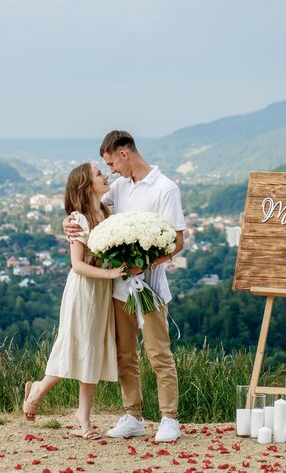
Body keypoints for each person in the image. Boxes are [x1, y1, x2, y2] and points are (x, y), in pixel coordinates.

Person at [64, 131, 186, 442]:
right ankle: (133, 415)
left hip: (151, 287)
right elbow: (87, 205)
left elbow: (178, 242)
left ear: (124, 154)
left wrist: (143, 266)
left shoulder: (165, 188)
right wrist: (68, 222)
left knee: (159, 352)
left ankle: (169, 418)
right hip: (120, 286)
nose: (110, 170)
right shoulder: (118, 188)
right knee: (125, 354)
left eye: (110, 163)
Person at [23, 163, 126, 439]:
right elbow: (77, 265)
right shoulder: (78, 220)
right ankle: (38, 390)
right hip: (84, 290)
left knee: (90, 351)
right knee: (74, 348)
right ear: (86, 185)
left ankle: (83, 417)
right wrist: (111, 272)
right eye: (98, 174)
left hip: (102, 290)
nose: (105, 176)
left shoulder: (108, 212)